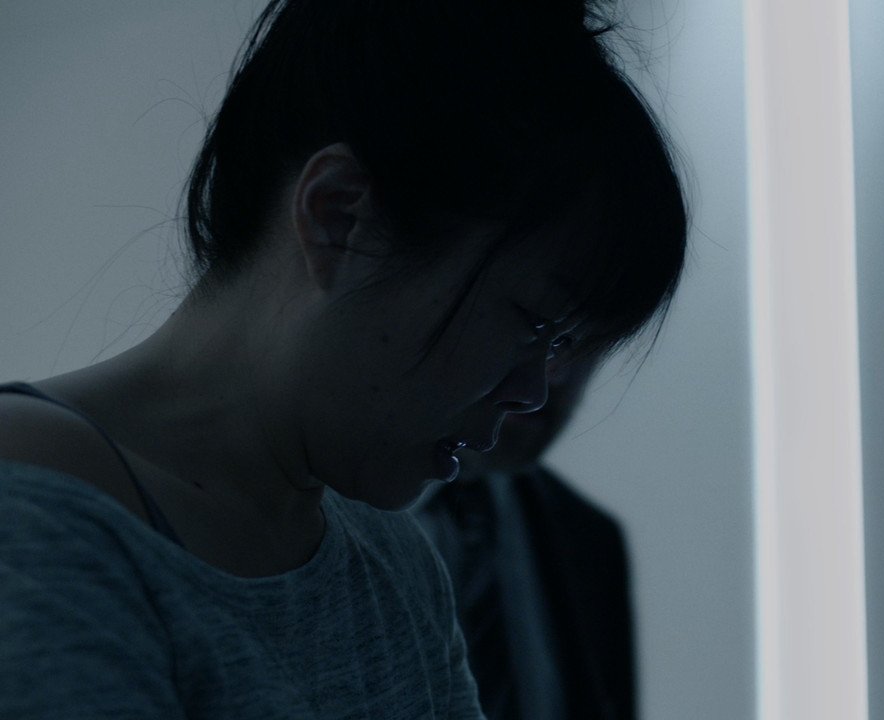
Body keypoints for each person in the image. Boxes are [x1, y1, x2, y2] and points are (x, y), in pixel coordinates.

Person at [0, 0, 686, 717]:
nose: (532, 391)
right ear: (338, 217)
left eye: (563, 346)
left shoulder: (393, 562)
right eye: (532, 324)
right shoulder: (36, 518)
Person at [417, 351, 636, 720]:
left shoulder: (592, 539)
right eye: (536, 329)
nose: (553, 374)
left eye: (582, 344)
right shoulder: (326, 509)